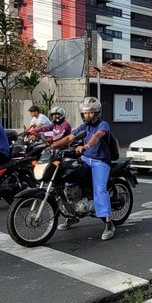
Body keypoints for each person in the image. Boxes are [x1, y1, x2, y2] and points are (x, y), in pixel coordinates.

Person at [50, 97, 115, 241]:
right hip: (85, 159)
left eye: (91, 113)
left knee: (100, 190)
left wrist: (86, 146)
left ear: (97, 113)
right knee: (68, 181)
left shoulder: (103, 125)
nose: (88, 116)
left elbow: (97, 136)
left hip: (100, 161)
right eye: (85, 113)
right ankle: (72, 216)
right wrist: (53, 146)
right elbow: (69, 138)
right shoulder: (83, 127)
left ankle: (109, 223)